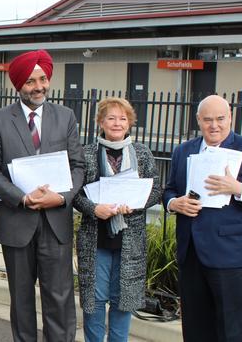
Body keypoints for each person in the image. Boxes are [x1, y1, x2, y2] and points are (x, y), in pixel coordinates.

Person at [0, 49, 85, 342]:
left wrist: (62, 198)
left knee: (60, 299)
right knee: (21, 301)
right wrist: (22, 198)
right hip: (17, 222)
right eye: (30, 81)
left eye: (43, 79)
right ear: (18, 85)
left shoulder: (66, 117)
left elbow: (78, 166)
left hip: (55, 222)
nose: (39, 86)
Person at [163, 95, 242, 341]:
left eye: (220, 119)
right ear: (198, 121)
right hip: (191, 252)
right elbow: (170, 189)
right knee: (194, 329)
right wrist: (175, 203)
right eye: (207, 120)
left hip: (230, 255)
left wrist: (238, 188)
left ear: (230, 118)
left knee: (231, 331)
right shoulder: (183, 150)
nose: (214, 125)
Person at [73, 97, 162, 342]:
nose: (117, 123)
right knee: (94, 299)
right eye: (111, 118)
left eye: (122, 118)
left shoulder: (142, 153)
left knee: (124, 298)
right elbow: (76, 194)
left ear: (130, 123)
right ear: (101, 121)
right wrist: (93, 208)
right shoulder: (87, 153)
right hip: (96, 238)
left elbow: (156, 190)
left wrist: (136, 203)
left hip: (129, 238)